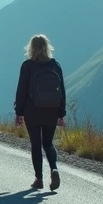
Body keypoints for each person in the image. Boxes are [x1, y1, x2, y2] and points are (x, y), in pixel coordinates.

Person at [14, 34, 66, 191]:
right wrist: (61, 114)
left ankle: (39, 179)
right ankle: (54, 168)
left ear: (31, 48)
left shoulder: (27, 66)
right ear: (46, 47)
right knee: (48, 143)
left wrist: (19, 112)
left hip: (32, 111)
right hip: (51, 111)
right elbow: (62, 90)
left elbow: (21, 91)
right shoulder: (54, 65)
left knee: (36, 144)